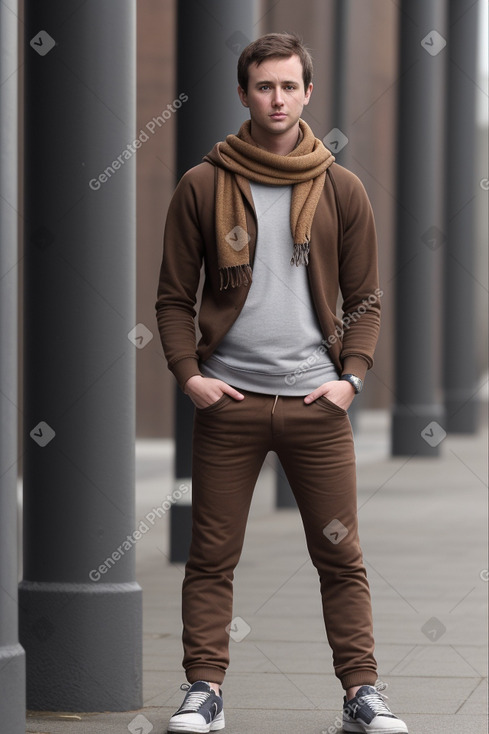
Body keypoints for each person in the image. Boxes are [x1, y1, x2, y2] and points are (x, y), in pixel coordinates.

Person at [156, 32, 408, 734]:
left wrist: (349, 381)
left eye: (288, 86)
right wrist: (190, 377)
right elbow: (173, 298)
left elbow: (365, 300)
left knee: (340, 555)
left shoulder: (340, 187)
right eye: (262, 86)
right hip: (228, 402)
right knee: (211, 556)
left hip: (314, 405)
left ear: (306, 93)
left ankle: (361, 692)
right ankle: (203, 689)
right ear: (243, 93)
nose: (276, 98)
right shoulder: (203, 184)